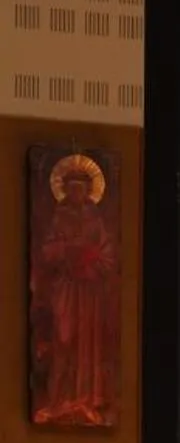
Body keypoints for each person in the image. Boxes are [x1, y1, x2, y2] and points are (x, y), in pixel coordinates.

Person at [31, 152, 119, 428]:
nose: (76, 193)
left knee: (88, 343)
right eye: (71, 188)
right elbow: (47, 252)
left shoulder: (96, 221)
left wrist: (91, 260)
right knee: (64, 337)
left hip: (90, 291)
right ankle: (59, 400)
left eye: (80, 188)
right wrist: (69, 250)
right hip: (66, 289)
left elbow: (108, 255)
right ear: (65, 190)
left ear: (88, 191)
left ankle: (87, 400)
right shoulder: (58, 219)